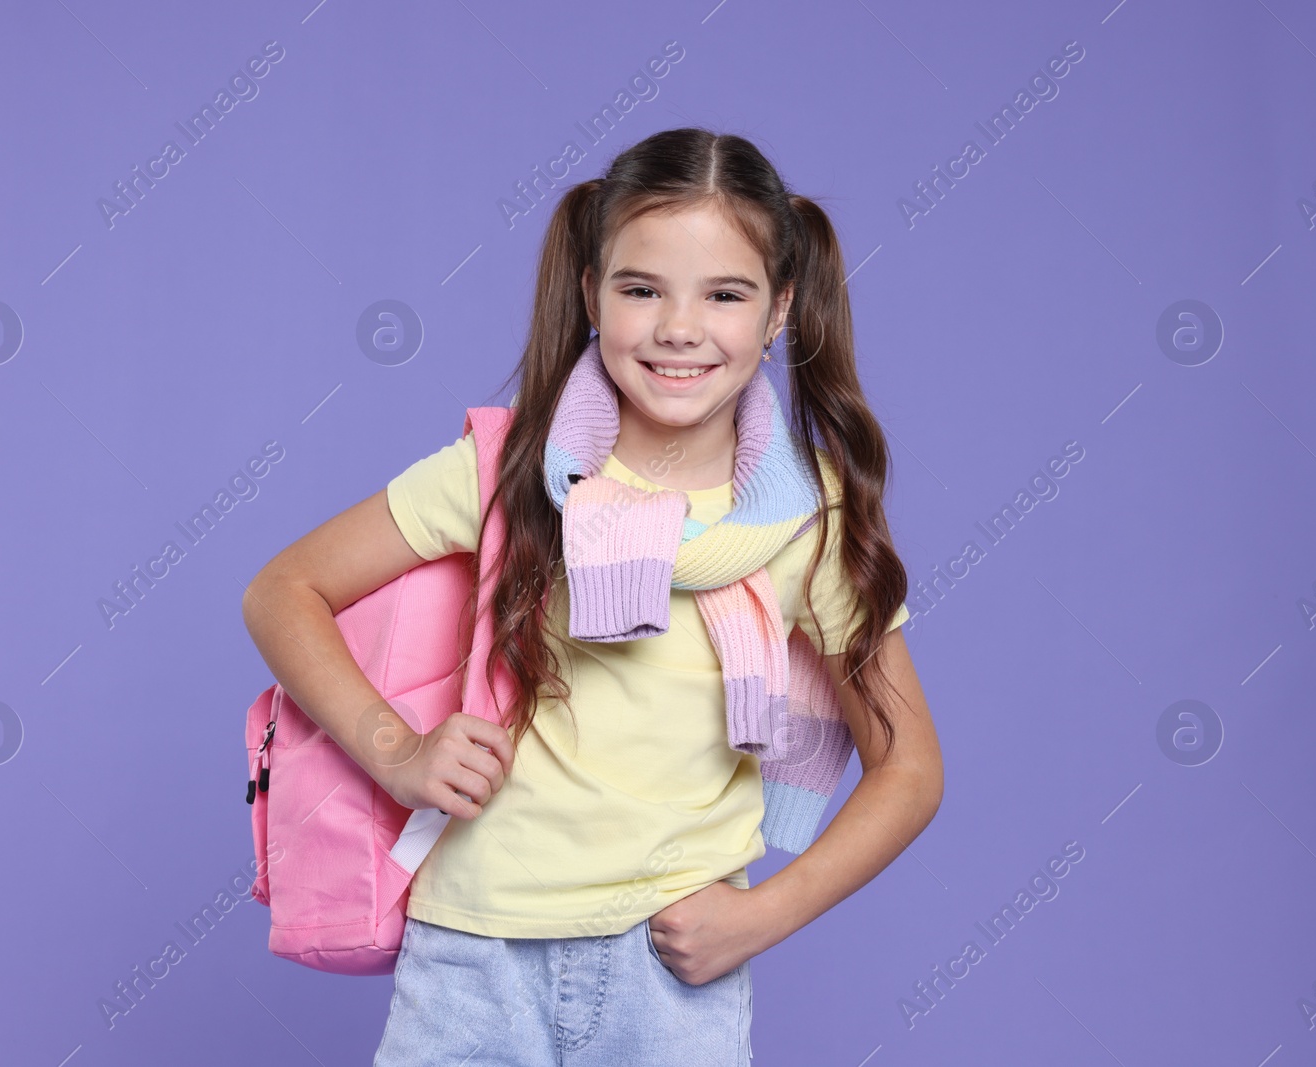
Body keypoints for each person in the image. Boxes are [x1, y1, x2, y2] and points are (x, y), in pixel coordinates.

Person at [242, 126, 942, 1066]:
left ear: (780, 310)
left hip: (668, 978)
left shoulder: (806, 513)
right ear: (589, 294)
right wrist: (397, 751)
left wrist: (760, 917)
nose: (679, 327)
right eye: (641, 288)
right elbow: (283, 590)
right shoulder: (509, 471)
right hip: (472, 956)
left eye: (725, 294)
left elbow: (909, 768)